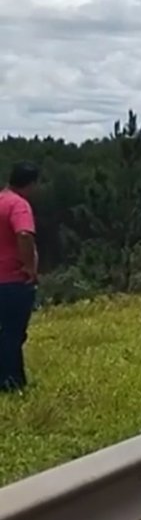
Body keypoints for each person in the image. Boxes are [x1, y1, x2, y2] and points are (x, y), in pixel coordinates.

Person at [0, 162, 40, 392]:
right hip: (12, 280)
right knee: (13, 334)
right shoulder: (18, 205)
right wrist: (29, 266)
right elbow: (24, 234)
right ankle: (11, 382)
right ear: (31, 183)